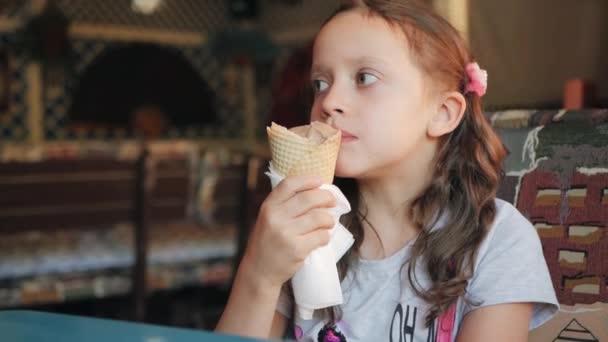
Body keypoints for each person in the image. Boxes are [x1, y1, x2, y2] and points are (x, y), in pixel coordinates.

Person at [216, 1, 558, 341]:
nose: (329, 101)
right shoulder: (304, 228)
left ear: (442, 112)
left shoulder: (497, 240)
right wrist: (259, 271)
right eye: (320, 83)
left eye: (364, 78)